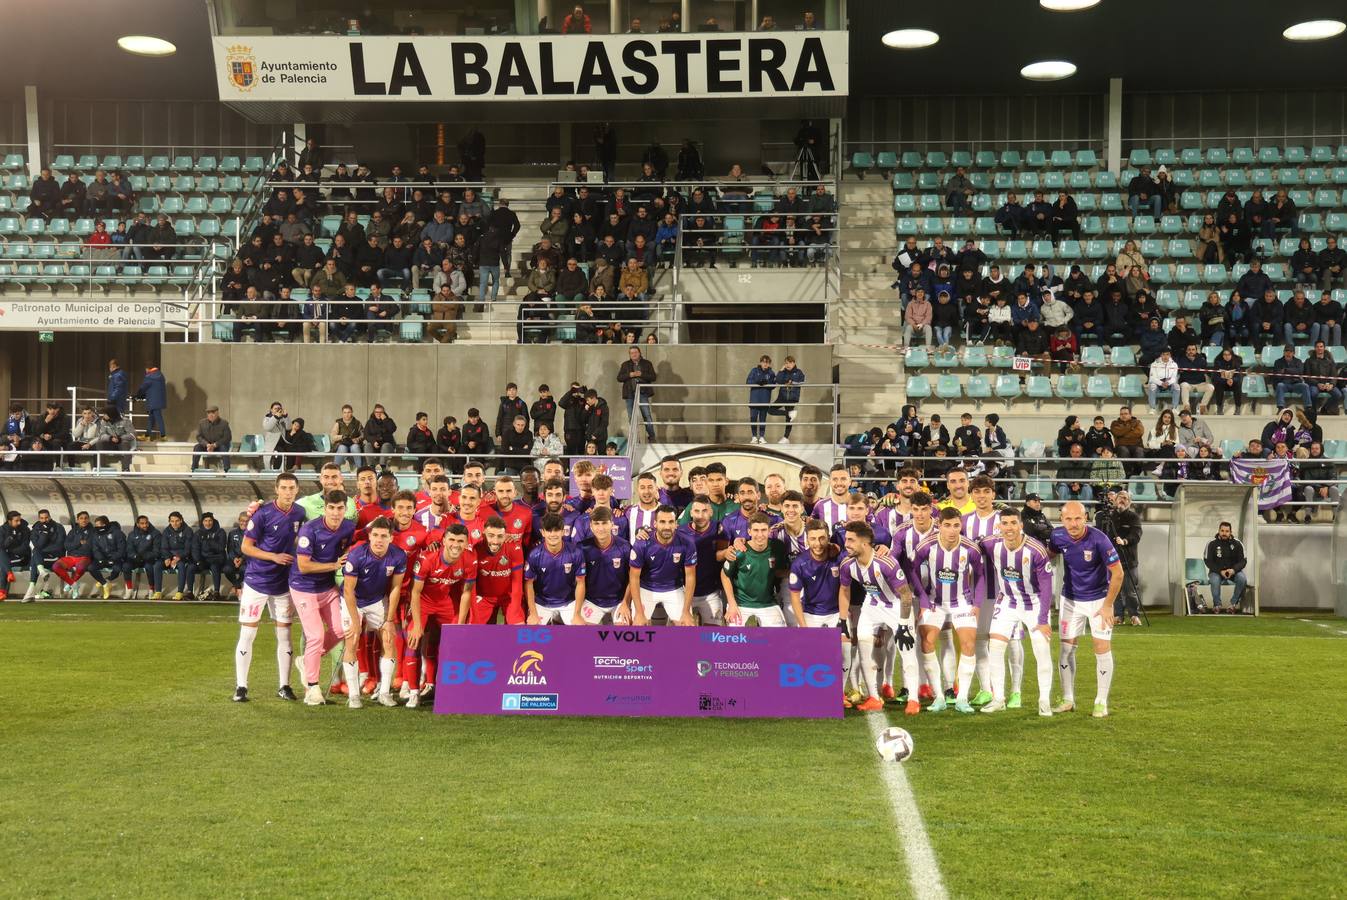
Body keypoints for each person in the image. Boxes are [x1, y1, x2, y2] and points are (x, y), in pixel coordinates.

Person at [234, 473, 306, 703]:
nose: (288, 491)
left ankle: (284, 685)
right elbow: (246, 547)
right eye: (283, 487)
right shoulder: (263, 513)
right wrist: (273, 556)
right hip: (257, 582)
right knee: (248, 633)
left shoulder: (299, 513)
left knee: (285, 635)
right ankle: (241, 686)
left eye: (291, 487)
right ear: (276, 489)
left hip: (284, 584)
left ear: (297, 489)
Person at [1047, 501, 1124, 718]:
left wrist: (1108, 605)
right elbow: (1047, 557)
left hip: (1099, 601)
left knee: (1101, 649)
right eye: (1068, 519)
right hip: (1070, 601)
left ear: (1086, 518)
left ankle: (1101, 702)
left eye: (1078, 518)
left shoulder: (1099, 539)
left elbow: (1118, 573)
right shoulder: (1057, 536)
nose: (1073, 523)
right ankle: (1068, 699)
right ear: (1061, 519)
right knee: (1066, 649)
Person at [977, 509, 1055, 716]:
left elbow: (1047, 587)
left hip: (1034, 603)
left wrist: (1043, 619)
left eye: (1013, 523)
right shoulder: (991, 544)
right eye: (1005, 523)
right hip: (1008, 602)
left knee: (1041, 650)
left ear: (1021, 525)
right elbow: (971, 548)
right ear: (999, 526)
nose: (1009, 527)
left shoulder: (1036, 550)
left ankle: (1044, 700)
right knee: (995, 647)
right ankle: (998, 698)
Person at [838, 520, 918, 714]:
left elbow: (906, 594)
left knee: (907, 650)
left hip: (897, 606)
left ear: (864, 544)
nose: (846, 544)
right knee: (864, 647)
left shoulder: (886, 563)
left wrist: (904, 626)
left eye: (850, 540)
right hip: (871, 605)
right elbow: (844, 589)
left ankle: (914, 699)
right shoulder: (847, 564)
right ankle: (874, 697)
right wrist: (842, 620)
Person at [911, 508, 985, 713]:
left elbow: (980, 576)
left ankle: (962, 699)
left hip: (962, 602)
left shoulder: (970, 548)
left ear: (961, 525)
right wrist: (923, 600)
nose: (952, 530)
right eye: (947, 525)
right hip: (935, 602)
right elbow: (913, 572)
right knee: (927, 643)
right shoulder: (926, 546)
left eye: (956, 525)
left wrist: (976, 604)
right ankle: (939, 697)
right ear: (939, 524)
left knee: (968, 644)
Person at [290, 492, 356, 705]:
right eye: (332, 508)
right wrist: (334, 565)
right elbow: (303, 565)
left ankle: (306, 661)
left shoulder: (348, 527)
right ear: (325, 509)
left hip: (327, 587)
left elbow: (354, 543)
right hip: (303, 587)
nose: (336, 513)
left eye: (340, 508)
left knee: (341, 630)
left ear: (345, 509)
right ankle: (312, 689)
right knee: (316, 636)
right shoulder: (310, 529)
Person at [339, 517, 406, 709]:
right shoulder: (356, 555)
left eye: (383, 536)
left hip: (377, 600)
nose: (379, 540)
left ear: (391, 538)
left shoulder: (399, 556)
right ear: (369, 536)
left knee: (388, 639)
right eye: (375, 535)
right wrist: (354, 622)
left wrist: (389, 619)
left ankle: (384, 692)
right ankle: (354, 695)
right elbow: (348, 591)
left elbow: (395, 588)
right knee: (352, 640)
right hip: (353, 601)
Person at [524, 514, 586, 625]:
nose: (553, 534)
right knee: (532, 631)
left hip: (568, 602)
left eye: (556, 530)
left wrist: (577, 614)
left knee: (579, 629)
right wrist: (533, 613)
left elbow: (580, 583)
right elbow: (529, 585)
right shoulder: (534, 555)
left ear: (563, 532)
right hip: (542, 603)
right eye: (549, 530)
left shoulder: (576, 552)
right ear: (543, 532)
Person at [1204, 522, 1247, 613]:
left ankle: (1233, 605)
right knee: (1214, 580)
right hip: (1216, 572)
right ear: (1219, 531)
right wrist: (1220, 571)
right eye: (1222, 530)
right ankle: (1217, 605)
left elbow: (1243, 561)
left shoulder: (1237, 543)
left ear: (1231, 532)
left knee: (1242, 578)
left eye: (1227, 531)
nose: (1224, 533)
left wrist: (1233, 570)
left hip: (1233, 572)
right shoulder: (1211, 544)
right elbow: (1208, 561)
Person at [616, 346, 657, 441]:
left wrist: (641, 374)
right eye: (631, 353)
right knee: (632, 417)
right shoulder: (625, 364)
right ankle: (635, 438)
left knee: (647, 415)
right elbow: (619, 378)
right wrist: (629, 375)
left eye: (635, 352)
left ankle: (652, 437)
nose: (634, 354)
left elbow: (653, 377)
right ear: (629, 355)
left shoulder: (647, 363)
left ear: (639, 353)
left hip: (643, 393)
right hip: (629, 394)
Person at [191, 406, 232, 472]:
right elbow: (199, 436)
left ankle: (227, 470)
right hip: (207, 446)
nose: (210, 415)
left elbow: (227, 437)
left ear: (217, 413)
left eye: (213, 412)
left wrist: (215, 445)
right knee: (197, 447)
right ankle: (194, 469)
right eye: (208, 413)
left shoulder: (224, 423)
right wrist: (206, 444)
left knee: (224, 448)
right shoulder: (202, 423)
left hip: (219, 446)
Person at [134, 363, 167, 440]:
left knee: (158, 417)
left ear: (148, 369)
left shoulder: (149, 376)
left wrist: (137, 396)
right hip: (158, 400)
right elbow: (153, 388)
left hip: (153, 401)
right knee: (151, 418)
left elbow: (143, 388)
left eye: (145, 370)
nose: (145, 372)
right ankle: (147, 435)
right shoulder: (160, 375)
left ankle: (163, 435)